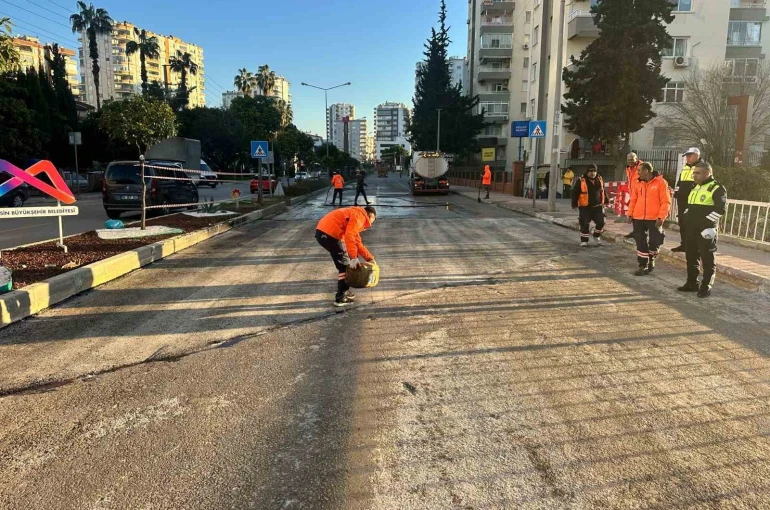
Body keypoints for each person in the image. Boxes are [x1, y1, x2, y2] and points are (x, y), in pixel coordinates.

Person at [678, 162, 726, 298]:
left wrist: (705, 223)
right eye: (694, 173)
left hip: (706, 230)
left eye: (697, 173)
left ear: (707, 173)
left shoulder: (717, 188)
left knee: (707, 259)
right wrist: (686, 217)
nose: (694, 175)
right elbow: (689, 206)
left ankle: (706, 287)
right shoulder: (695, 187)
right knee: (691, 257)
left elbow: (721, 209)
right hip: (691, 229)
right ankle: (692, 283)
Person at [316, 205, 377, 307]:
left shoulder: (355, 214)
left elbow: (357, 242)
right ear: (370, 216)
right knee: (344, 266)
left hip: (325, 233)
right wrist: (353, 257)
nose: (370, 224)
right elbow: (349, 236)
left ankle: (345, 290)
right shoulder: (360, 217)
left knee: (345, 263)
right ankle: (340, 297)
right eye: (373, 220)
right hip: (330, 234)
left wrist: (370, 258)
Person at [626, 162, 671, 276]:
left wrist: (661, 217)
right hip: (638, 217)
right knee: (640, 241)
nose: (638, 173)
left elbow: (665, 201)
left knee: (655, 241)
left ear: (646, 171)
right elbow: (633, 200)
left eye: (639, 171)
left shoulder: (661, 183)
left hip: (655, 218)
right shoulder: (638, 183)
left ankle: (651, 258)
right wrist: (630, 214)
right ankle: (643, 265)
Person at [671, 147, 702, 253]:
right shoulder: (685, 167)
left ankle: (692, 246)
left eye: (690, 156)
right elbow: (680, 182)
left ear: (697, 156)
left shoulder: (701, 167)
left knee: (691, 223)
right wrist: (677, 192)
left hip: (693, 200)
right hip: (682, 199)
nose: (687, 158)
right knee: (682, 222)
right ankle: (684, 244)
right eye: (687, 156)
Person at [572, 164, 608, 247]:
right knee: (585, 224)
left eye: (594, 171)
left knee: (601, 222)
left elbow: (603, 191)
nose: (593, 173)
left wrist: (606, 200)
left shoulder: (600, 179)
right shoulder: (581, 180)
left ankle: (596, 235)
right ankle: (584, 241)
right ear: (587, 172)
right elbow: (575, 193)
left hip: (598, 206)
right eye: (591, 171)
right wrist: (574, 204)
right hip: (585, 207)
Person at [623, 152, 643, 238]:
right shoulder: (628, 168)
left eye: (632, 159)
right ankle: (636, 231)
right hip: (633, 194)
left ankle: (639, 232)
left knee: (640, 214)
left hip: (641, 194)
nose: (630, 161)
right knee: (634, 214)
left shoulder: (642, 167)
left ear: (636, 159)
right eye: (628, 160)